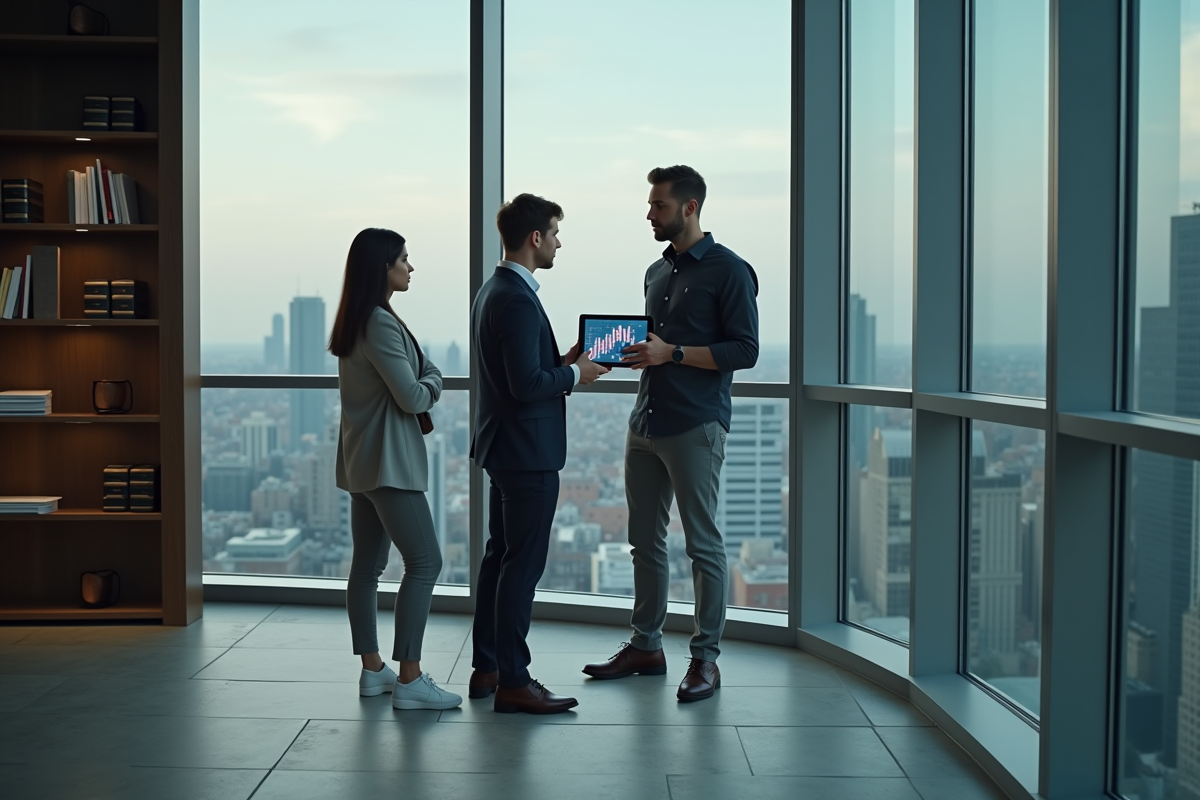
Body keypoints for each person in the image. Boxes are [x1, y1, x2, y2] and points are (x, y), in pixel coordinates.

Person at [582, 165, 760, 702]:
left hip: (695, 424)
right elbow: (656, 346)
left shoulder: (731, 271)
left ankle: (706, 659)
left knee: (702, 545)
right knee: (644, 543)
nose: (649, 214)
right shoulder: (655, 273)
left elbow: (745, 351)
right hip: (646, 422)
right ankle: (646, 646)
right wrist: (634, 353)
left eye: (658, 206)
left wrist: (673, 353)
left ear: (690, 207)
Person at [468, 193, 610, 714]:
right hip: (528, 453)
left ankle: (488, 667)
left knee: (498, 560)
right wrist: (576, 374)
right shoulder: (516, 297)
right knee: (520, 568)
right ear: (535, 238)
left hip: (503, 447)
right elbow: (527, 384)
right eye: (554, 233)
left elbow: (517, 371)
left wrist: (564, 359)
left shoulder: (494, 290)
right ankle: (514, 680)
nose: (557, 242)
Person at [329, 227, 462, 711]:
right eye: (403, 259)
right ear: (382, 267)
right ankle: (410, 678)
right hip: (389, 466)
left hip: (361, 462)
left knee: (366, 568)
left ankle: (373, 671)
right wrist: (436, 380)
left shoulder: (355, 320)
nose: (410, 267)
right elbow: (412, 395)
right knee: (426, 562)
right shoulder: (380, 323)